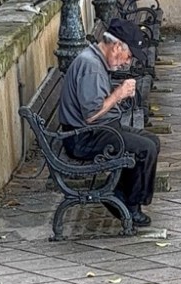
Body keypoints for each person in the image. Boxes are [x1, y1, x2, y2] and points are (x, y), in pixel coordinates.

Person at [59, 29, 160, 228]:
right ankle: (129, 205)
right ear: (116, 47)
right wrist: (118, 94)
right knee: (144, 149)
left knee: (152, 142)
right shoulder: (92, 67)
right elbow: (91, 116)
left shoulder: (94, 61)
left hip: (97, 130)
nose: (127, 62)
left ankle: (120, 194)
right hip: (83, 138)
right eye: (128, 56)